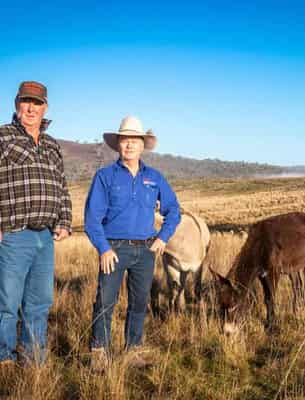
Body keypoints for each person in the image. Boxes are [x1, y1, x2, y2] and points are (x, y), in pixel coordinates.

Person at [84, 116, 181, 369]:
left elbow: (174, 211)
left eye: (134, 141)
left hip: (145, 250)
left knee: (139, 302)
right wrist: (103, 249)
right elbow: (92, 218)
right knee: (105, 301)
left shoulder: (155, 177)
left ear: (142, 145)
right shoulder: (105, 176)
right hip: (114, 249)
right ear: (118, 145)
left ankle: (133, 351)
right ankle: (99, 353)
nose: (129, 145)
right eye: (124, 140)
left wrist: (163, 238)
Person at [0, 81, 72, 366]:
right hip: (14, 234)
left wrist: (65, 221)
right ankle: (4, 357)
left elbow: (62, 187)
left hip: (45, 237)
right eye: (25, 101)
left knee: (40, 302)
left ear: (45, 108)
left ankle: (33, 358)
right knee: (7, 303)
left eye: (36, 103)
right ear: (17, 104)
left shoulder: (52, 145)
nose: (30, 108)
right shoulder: (3, 137)